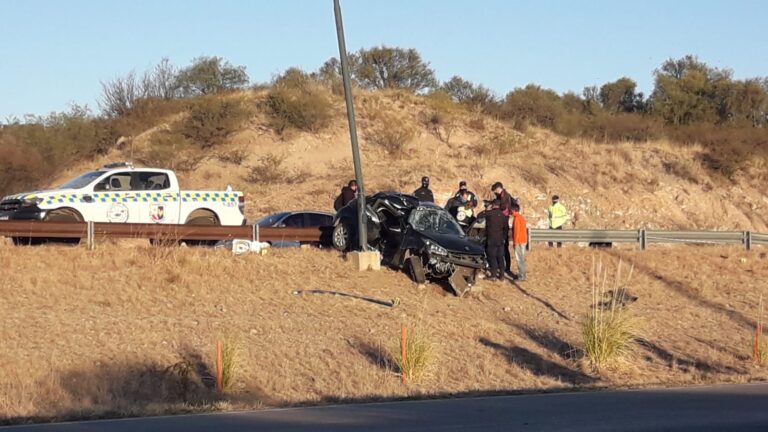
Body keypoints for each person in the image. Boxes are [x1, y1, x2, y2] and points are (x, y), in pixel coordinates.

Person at [476, 199, 506, 281]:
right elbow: (506, 228)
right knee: (500, 257)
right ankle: (502, 275)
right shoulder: (503, 215)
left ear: (493, 205)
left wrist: (486, 210)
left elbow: (478, 216)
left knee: (492, 256)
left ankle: (493, 275)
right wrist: (503, 237)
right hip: (500, 239)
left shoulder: (490, 213)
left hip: (491, 239)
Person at [491, 182, 515, 274]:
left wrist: (496, 209)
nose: (495, 192)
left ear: (498, 189)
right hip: (502, 222)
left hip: (503, 222)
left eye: (495, 191)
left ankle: (506, 267)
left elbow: (503, 208)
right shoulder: (502, 196)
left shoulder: (505, 197)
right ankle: (503, 267)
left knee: (504, 247)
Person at [510, 203, 528, 281]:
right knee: (522, 259)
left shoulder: (516, 218)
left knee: (519, 259)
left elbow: (516, 232)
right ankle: (523, 274)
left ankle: (521, 276)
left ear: (514, 210)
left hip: (519, 241)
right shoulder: (521, 217)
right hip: (523, 240)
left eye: (511, 210)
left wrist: (515, 242)